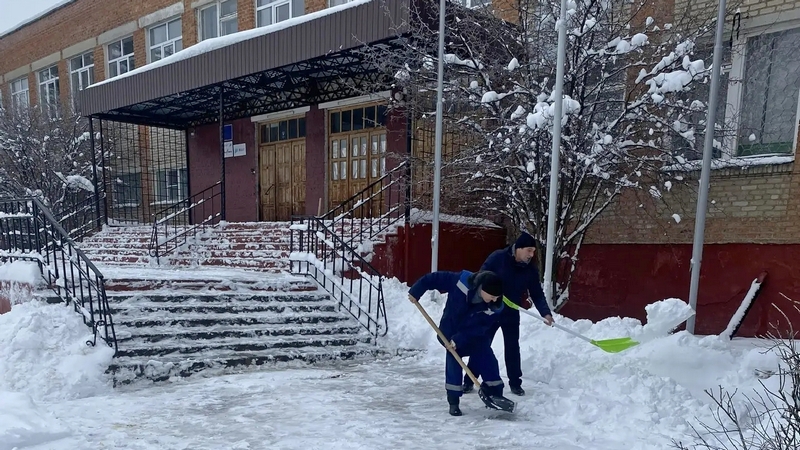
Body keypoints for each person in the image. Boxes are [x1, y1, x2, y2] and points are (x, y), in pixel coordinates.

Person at [463, 232, 554, 396]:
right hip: (490, 311)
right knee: (482, 345)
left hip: (511, 312)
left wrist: (545, 313)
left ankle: (515, 383)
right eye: (529, 250)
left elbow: (537, 294)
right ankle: (469, 379)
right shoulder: (498, 258)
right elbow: (480, 278)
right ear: (519, 248)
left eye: (533, 251)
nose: (531, 255)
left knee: (512, 347)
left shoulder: (530, 269)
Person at [408, 270, 507, 416]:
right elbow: (434, 278)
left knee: (487, 359)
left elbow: (480, 327)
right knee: (454, 362)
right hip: (448, 333)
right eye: (492, 296)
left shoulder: (495, 306)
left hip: (474, 336)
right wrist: (416, 290)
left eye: (497, 297)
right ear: (482, 289)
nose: (494, 300)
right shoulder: (461, 282)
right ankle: (453, 402)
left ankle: (495, 394)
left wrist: (459, 339)